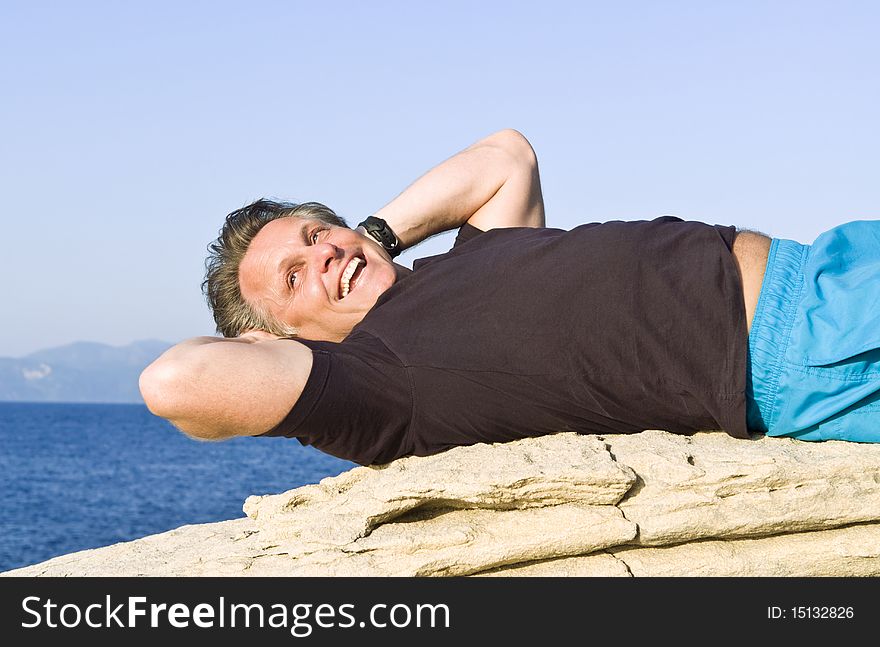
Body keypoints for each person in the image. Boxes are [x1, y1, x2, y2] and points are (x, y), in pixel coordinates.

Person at [140, 129, 880, 465]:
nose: (323, 251)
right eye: (295, 278)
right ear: (283, 336)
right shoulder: (378, 384)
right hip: (808, 349)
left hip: (823, 261)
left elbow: (504, 156)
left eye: (315, 231)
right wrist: (274, 354)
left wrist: (371, 236)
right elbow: (174, 381)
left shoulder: (471, 255)